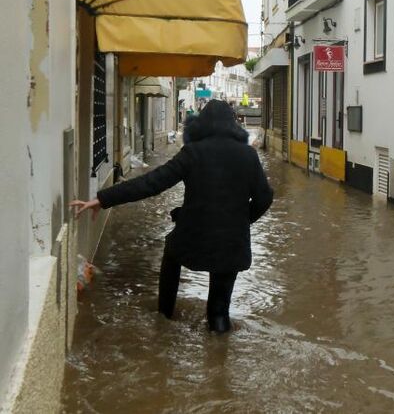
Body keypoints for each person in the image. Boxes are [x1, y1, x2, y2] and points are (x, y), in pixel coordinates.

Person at [70, 100, 274, 333]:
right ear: (233, 124)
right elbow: (264, 198)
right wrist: (241, 221)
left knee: (172, 252)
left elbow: (152, 183)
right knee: (219, 312)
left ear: (202, 124)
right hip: (231, 245)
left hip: (194, 237)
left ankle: (165, 316)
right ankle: (218, 356)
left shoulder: (193, 152)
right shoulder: (248, 155)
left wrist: (103, 199)